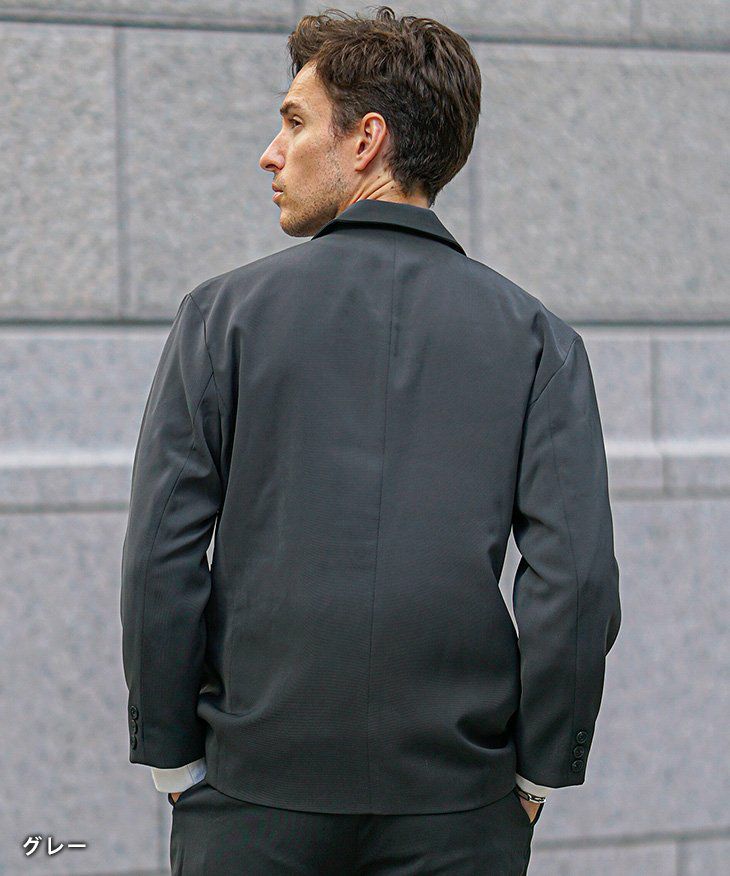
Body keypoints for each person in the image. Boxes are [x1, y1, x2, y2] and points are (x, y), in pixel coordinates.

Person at [120, 7, 621, 874]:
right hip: (460, 809)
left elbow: (161, 555)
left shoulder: (221, 317)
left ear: (366, 141)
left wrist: (174, 762)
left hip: (250, 801)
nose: (271, 153)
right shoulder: (539, 341)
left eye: (294, 121)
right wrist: (539, 771)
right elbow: (574, 581)